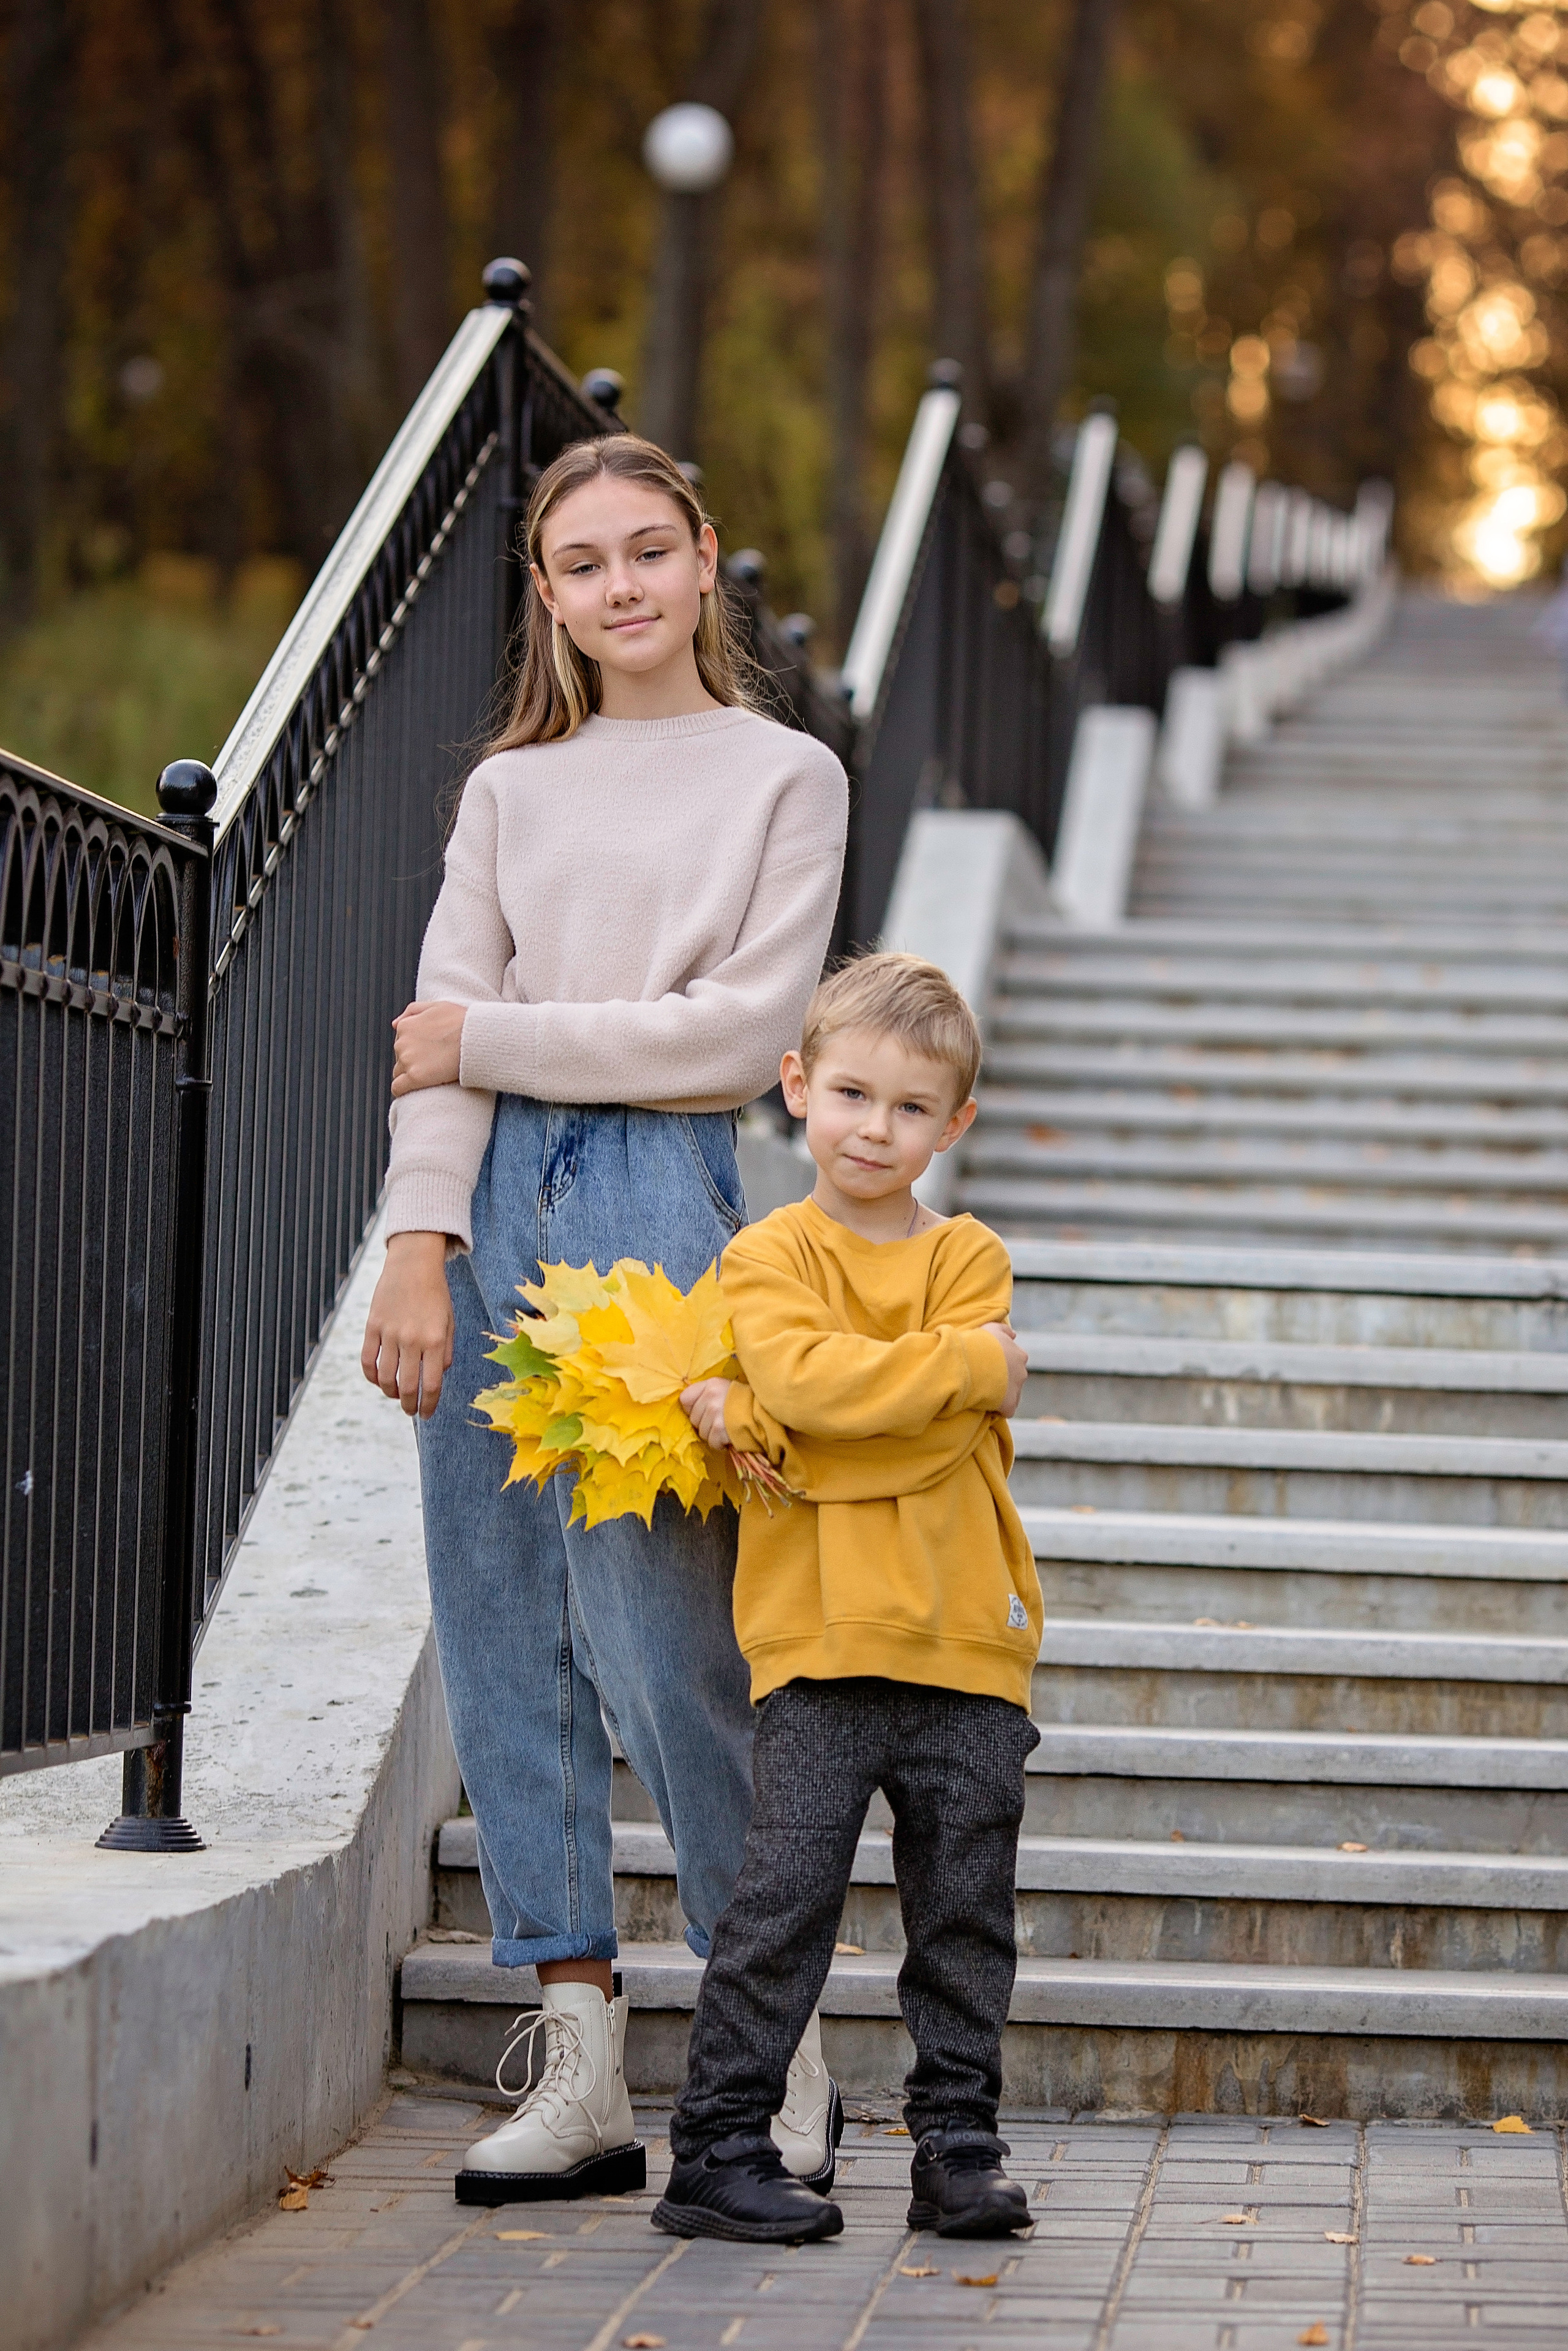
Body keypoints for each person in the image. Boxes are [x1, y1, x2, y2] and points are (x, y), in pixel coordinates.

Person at [360, 432, 848, 2205]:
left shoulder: (784, 775)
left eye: (650, 549)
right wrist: (419, 1236)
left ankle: (769, 2039)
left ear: (706, 559)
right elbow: (436, 1031)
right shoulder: (511, 790)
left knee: (668, 1641)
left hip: (657, 1202)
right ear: (549, 594)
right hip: (492, 1201)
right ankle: (576, 2055)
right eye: (583, 562)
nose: (621, 584)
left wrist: (490, 1035)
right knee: (502, 1621)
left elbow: (738, 1035)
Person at [658, 953, 1042, 2246]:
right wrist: (959, 1368)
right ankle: (716, 2148)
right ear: (796, 1085)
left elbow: (880, 1426)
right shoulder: (767, 1252)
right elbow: (823, 1386)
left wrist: (788, 1421)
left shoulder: (967, 1255)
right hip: (817, 1644)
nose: (876, 1128)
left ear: (955, 1122)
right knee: (780, 1905)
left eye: (911, 1106)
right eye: (852, 1094)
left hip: (964, 1640)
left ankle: (958, 2148)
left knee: (964, 1916)